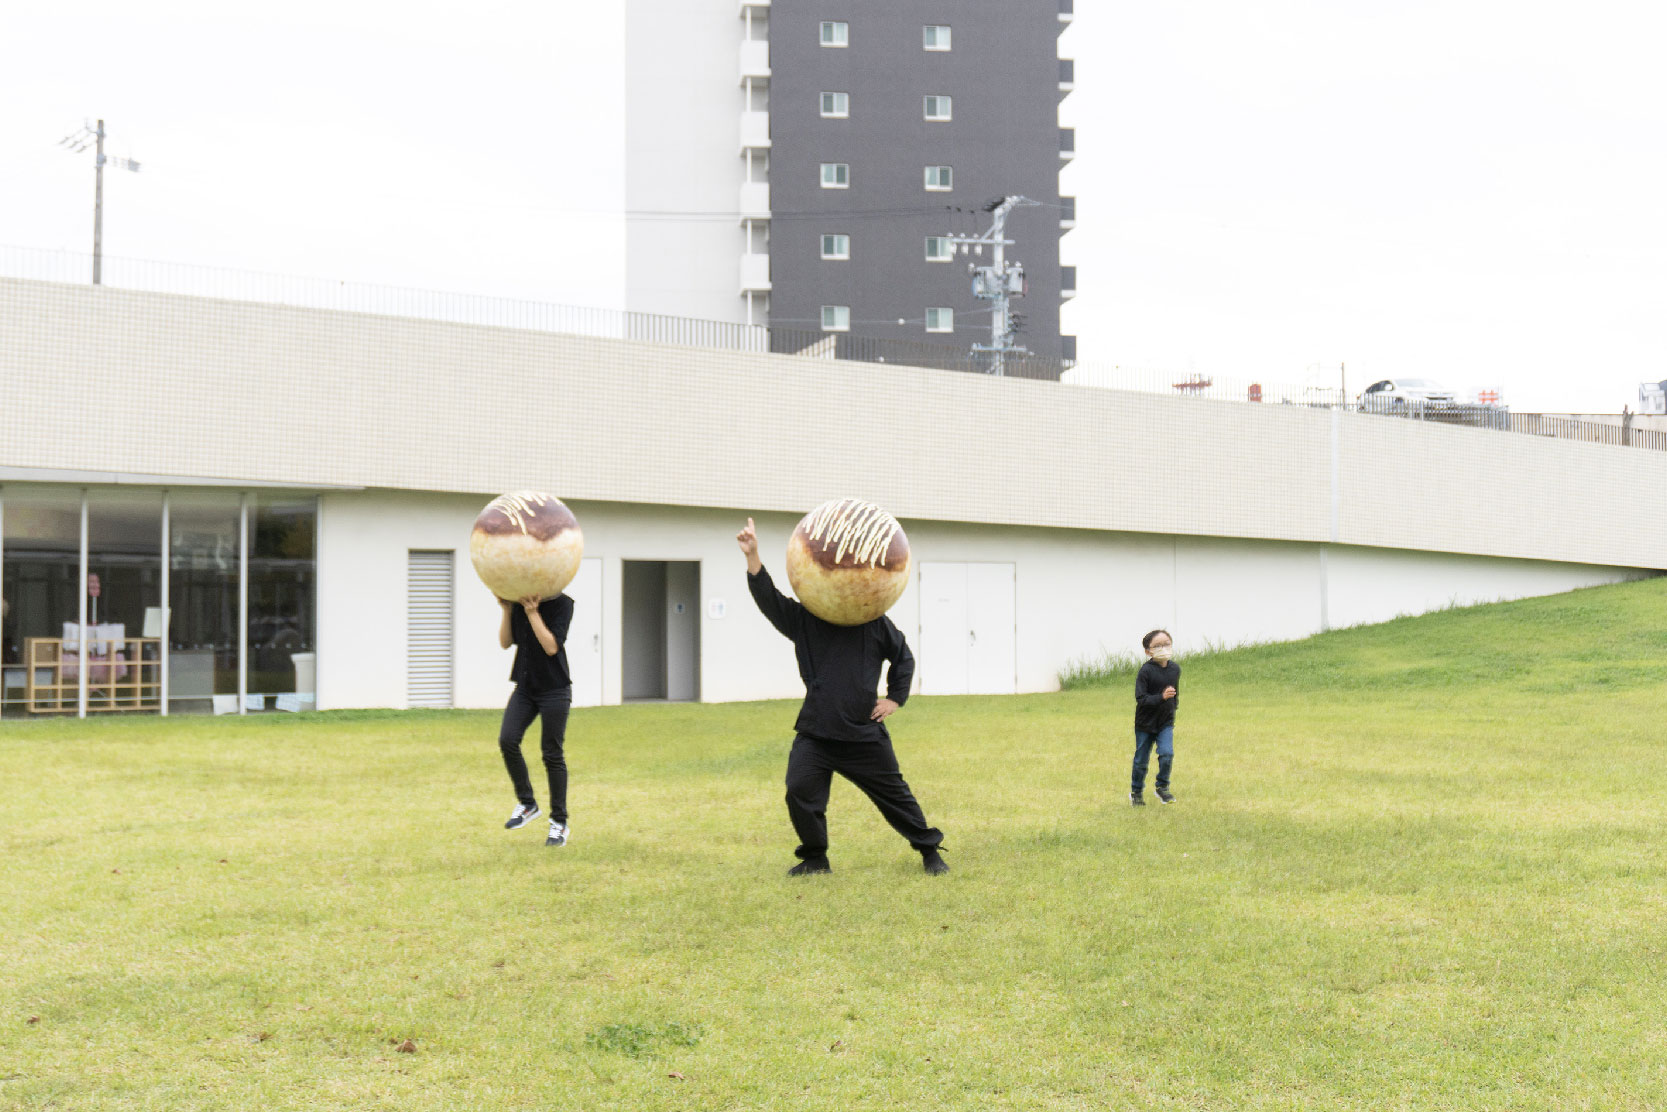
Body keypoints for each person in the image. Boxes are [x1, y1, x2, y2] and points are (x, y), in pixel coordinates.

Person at [736, 516, 948, 877]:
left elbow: (903, 657)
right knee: (799, 790)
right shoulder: (805, 619)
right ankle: (816, 858)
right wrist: (752, 556)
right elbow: (769, 599)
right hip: (817, 731)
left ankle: (929, 851)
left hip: (862, 732)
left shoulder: (873, 621)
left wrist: (895, 698)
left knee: (895, 796)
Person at [496, 592, 575, 847]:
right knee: (507, 740)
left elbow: (551, 646)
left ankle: (559, 823)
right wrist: (508, 609)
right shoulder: (521, 603)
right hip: (526, 688)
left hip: (555, 689)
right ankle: (528, 803)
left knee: (552, 753)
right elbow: (506, 642)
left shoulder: (563, 604)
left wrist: (532, 613)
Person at [1131, 629, 1180, 806]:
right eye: (1157, 646)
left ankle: (1162, 787)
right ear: (1148, 651)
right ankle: (1136, 792)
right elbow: (1141, 699)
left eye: (1166, 644)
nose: (1163, 648)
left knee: (1167, 754)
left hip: (1165, 722)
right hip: (1145, 724)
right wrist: (1161, 697)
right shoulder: (1145, 671)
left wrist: (1172, 709)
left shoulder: (1175, 669)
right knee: (1141, 760)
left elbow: (1175, 695)